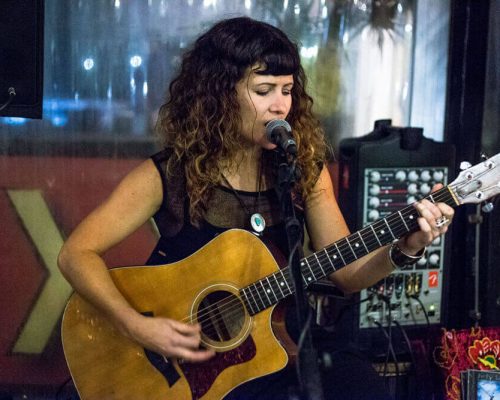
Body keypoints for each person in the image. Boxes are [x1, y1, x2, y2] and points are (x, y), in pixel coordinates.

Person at [58, 16, 454, 400]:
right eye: (264, 90)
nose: (280, 105)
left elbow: (346, 275)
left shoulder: (305, 170)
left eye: (286, 90)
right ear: (220, 94)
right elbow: (76, 254)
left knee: (359, 385)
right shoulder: (168, 175)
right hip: (202, 367)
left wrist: (407, 247)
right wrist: (135, 327)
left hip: (282, 346)